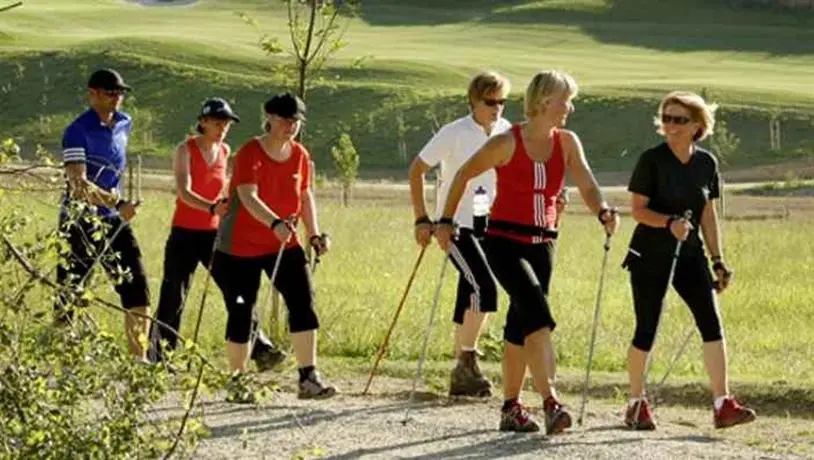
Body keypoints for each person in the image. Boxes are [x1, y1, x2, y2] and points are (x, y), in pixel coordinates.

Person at [434, 70, 619, 434]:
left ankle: (510, 408)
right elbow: (462, 175)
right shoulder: (507, 142)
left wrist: (603, 210)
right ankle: (551, 401)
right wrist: (443, 221)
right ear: (545, 102)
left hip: (543, 243)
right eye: (566, 100)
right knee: (538, 315)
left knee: (521, 325)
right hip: (505, 242)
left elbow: (586, 181)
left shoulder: (567, 142)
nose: (571, 107)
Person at [622, 91, 756, 430]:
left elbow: (707, 215)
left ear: (698, 124)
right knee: (647, 328)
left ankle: (722, 403)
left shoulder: (706, 163)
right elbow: (638, 210)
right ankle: (636, 403)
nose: (670, 125)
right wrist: (668, 223)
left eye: (679, 120)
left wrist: (718, 260)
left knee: (711, 323)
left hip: (690, 255)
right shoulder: (651, 160)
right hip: (650, 254)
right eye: (666, 118)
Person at [212, 92, 336, 403]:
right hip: (240, 247)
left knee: (303, 303)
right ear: (269, 117)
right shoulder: (249, 153)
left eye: (296, 121)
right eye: (285, 119)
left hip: (285, 243)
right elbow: (248, 196)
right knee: (242, 311)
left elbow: (305, 196)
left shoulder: (300, 156)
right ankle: (238, 381)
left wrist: (315, 234)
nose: (291, 126)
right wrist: (274, 222)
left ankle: (308, 377)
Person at [148, 98, 285, 371]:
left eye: (226, 123)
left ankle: (259, 347)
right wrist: (211, 206)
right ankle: (160, 356)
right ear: (203, 122)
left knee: (236, 290)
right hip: (184, 233)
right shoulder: (185, 149)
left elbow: (226, 188)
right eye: (217, 122)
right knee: (174, 293)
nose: (223, 128)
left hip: (215, 234)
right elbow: (183, 191)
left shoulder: (225, 151)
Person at [408, 70, 512, 397]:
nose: (497, 108)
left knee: (470, 290)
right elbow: (417, 169)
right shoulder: (454, 132)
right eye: (490, 102)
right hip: (453, 224)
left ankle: (460, 371)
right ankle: (467, 361)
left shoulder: (507, 131)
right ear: (473, 102)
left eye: (502, 102)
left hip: (489, 223)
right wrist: (422, 218)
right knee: (484, 287)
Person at [55, 68, 151, 361]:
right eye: (111, 93)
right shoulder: (76, 130)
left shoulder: (125, 122)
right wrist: (118, 202)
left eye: (121, 93)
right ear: (92, 93)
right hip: (79, 221)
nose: (117, 98)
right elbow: (78, 184)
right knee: (71, 292)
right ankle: (65, 363)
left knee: (138, 289)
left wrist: (117, 207)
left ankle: (138, 361)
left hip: (113, 221)